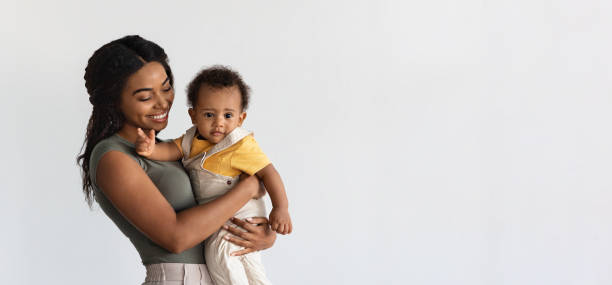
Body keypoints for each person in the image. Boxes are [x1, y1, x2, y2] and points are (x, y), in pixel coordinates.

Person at [77, 35, 276, 285]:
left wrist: (262, 234)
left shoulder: (169, 149)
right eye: (145, 96)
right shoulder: (112, 157)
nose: (163, 102)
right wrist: (248, 188)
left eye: (166, 87)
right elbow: (176, 237)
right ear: (114, 101)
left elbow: (213, 211)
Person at [135, 66, 292, 285]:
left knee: (221, 259)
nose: (219, 122)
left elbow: (269, 173)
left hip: (237, 220)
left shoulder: (240, 144)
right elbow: (171, 151)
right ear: (193, 115)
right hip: (220, 219)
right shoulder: (190, 140)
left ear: (241, 118)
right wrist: (151, 150)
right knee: (250, 268)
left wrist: (281, 208)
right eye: (209, 114)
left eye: (228, 115)